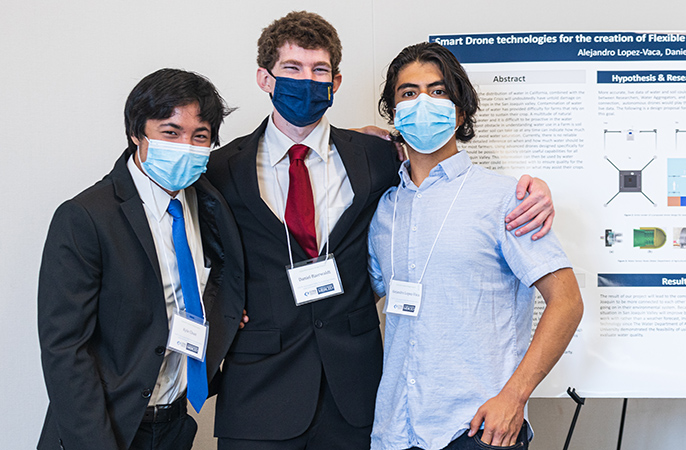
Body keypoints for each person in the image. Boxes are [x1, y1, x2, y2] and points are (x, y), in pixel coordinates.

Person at [206, 11, 556, 450]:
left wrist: (537, 188)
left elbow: (431, 164)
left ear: (335, 83)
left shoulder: (374, 158)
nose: (307, 81)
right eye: (292, 69)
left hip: (356, 397)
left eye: (319, 71)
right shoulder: (220, 169)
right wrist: (221, 308)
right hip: (260, 393)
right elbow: (195, 249)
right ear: (264, 77)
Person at [367, 42, 584, 450]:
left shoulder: (506, 199)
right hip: (396, 429)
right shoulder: (384, 208)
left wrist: (514, 396)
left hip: (477, 427)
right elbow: (359, 298)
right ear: (394, 112)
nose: (423, 102)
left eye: (438, 91)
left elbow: (567, 301)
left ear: (460, 111)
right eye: (408, 93)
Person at [37, 68, 245, 450]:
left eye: (200, 136)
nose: (186, 145)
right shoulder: (86, 216)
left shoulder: (210, 205)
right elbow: (64, 350)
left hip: (175, 425)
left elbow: (217, 284)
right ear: (136, 133)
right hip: (106, 429)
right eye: (170, 132)